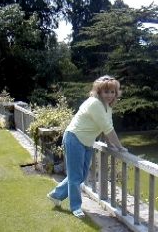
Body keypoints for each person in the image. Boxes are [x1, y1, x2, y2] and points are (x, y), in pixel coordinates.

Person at [47, 75, 128, 218]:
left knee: (82, 175)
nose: (109, 95)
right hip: (74, 138)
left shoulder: (107, 107)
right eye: (106, 91)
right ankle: (75, 207)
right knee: (76, 176)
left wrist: (111, 145)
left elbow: (106, 127)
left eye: (112, 92)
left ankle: (56, 195)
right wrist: (120, 147)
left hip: (87, 142)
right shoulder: (95, 103)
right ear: (99, 91)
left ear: (116, 93)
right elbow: (109, 129)